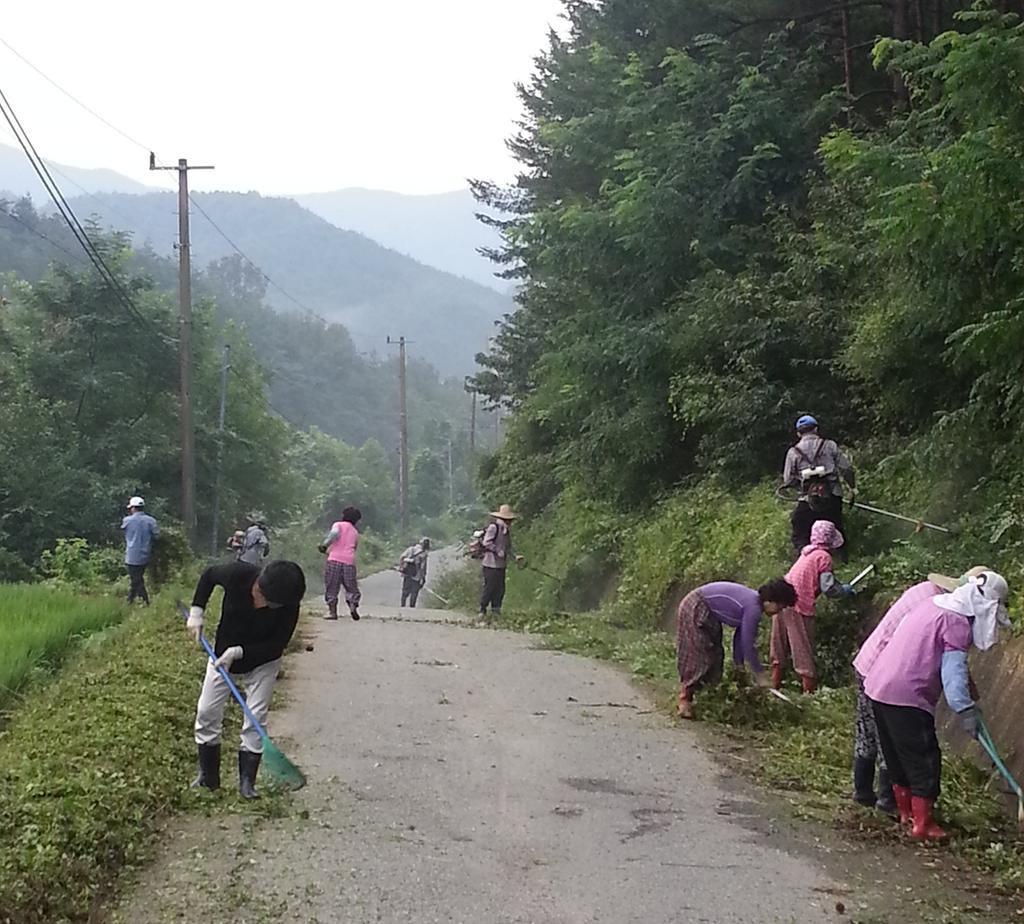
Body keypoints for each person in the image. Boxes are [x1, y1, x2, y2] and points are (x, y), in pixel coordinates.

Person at [864, 570, 1010, 840]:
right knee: (924, 760)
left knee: (898, 757)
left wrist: (969, 693)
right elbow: (953, 676)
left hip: (878, 686)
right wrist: (965, 711)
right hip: (907, 694)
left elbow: (946, 661)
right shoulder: (956, 623)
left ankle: (907, 814)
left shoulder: (932, 605)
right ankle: (923, 824)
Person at [850, 565, 988, 814]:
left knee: (869, 735)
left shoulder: (926, 593)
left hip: (873, 664)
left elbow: (947, 654)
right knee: (892, 741)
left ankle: (864, 792)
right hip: (889, 670)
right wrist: (964, 702)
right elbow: (944, 652)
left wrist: (969, 691)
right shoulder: (940, 607)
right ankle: (887, 800)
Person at [186, 558, 306, 798]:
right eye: (262, 596)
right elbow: (209, 575)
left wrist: (240, 652)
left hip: (262, 662)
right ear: (257, 583)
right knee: (206, 712)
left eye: (272, 604)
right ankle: (209, 778)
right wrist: (197, 612)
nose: (263, 605)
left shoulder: (288, 604)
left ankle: (247, 784)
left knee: (255, 718)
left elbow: (277, 645)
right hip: (221, 656)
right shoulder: (237, 573)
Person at [676, 579, 798, 719]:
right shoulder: (753, 608)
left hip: (709, 615)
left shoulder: (753, 605)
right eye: (780, 607)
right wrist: (759, 674)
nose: (778, 612)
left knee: (716, 657)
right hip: (696, 606)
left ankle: (703, 698)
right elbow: (748, 644)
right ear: (771, 601)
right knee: (700, 656)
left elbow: (739, 639)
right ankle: (684, 700)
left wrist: (738, 668)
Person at [771, 519, 854, 694]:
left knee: (779, 647)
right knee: (803, 651)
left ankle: (774, 686)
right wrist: (844, 591)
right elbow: (828, 588)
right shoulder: (824, 557)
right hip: (799, 605)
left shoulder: (807, 553)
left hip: (781, 602)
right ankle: (809, 696)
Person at [782, 415, 856, 558]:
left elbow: (788, 480)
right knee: (836, 527)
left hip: (807, 499)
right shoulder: (830, 445)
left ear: (798, 433)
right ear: (816, 429)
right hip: (832, 496)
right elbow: (846, 468)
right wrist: (852, 487)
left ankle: (806, 560)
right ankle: (843, 559)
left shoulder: (793, 452)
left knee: (800, 531)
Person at [479, 504, 523, 620]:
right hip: (490, 564)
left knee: (500, 588)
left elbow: (508, 547)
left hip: (501, 565)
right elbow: (486, 542)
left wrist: (515, 556)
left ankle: (496, 610)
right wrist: (497, 550)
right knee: (490, 587)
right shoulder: (494, 528)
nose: (509, 522)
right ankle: (482, 609)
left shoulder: (506, 531)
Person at [319, 506, 362, 621]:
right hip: (349, 561)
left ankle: (332, 612)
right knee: (351, 586)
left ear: (344, 516)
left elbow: (334, 534)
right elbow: (354, 547)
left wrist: (325, 545)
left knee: (332, 586)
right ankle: (353, 604)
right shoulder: (355, 532)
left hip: (334, 559)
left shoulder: (338, 525)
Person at [121, 495, 160, 605]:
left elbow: (123, 530)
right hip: (145, 555)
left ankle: (146, 602)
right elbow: (157, 536)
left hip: (132, 555)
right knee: (136, 578)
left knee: (137, 580)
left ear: (133, 508)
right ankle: (130, 601)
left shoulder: (127, 521)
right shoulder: (151, 521)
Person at [398, 537, 431, 608]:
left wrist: (401, 568)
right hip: (416, 576)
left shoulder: (411, 549)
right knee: (414, 592)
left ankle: (402, 606)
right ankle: (411, 609)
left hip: (407, 574)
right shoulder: (424, 554)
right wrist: (423, 578)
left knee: (405, 591)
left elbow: (402, 557)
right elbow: (423, 567)